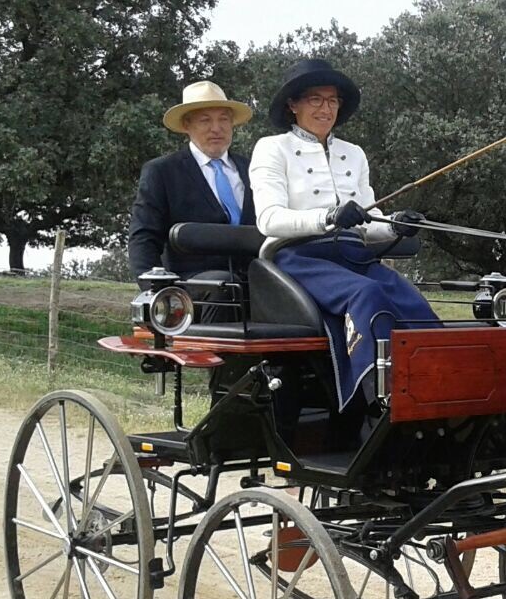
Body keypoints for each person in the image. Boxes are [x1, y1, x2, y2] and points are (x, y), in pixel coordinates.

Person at [250, 58, 432, 413]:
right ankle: (376, 402)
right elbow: (269, 219)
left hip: (354, 256)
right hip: (298, 257)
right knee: (367, 294)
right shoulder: (272, 148)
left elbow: (369, 219)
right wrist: (328, 217)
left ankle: (438, 388)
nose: (326, 108)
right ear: (293, 105)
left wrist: (396, 224)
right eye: (315, 99)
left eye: (332, 101)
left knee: (412, 301)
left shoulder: (354, 154)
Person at [128, 80, 256, 283]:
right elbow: (144, 237)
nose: (216, 128)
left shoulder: (254, 169)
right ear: (187, 125)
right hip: (195, 288)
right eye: (205, 120)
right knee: (222, 284)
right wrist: (159, 292)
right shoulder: (162, 172)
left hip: (261, 282)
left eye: (223, 119)